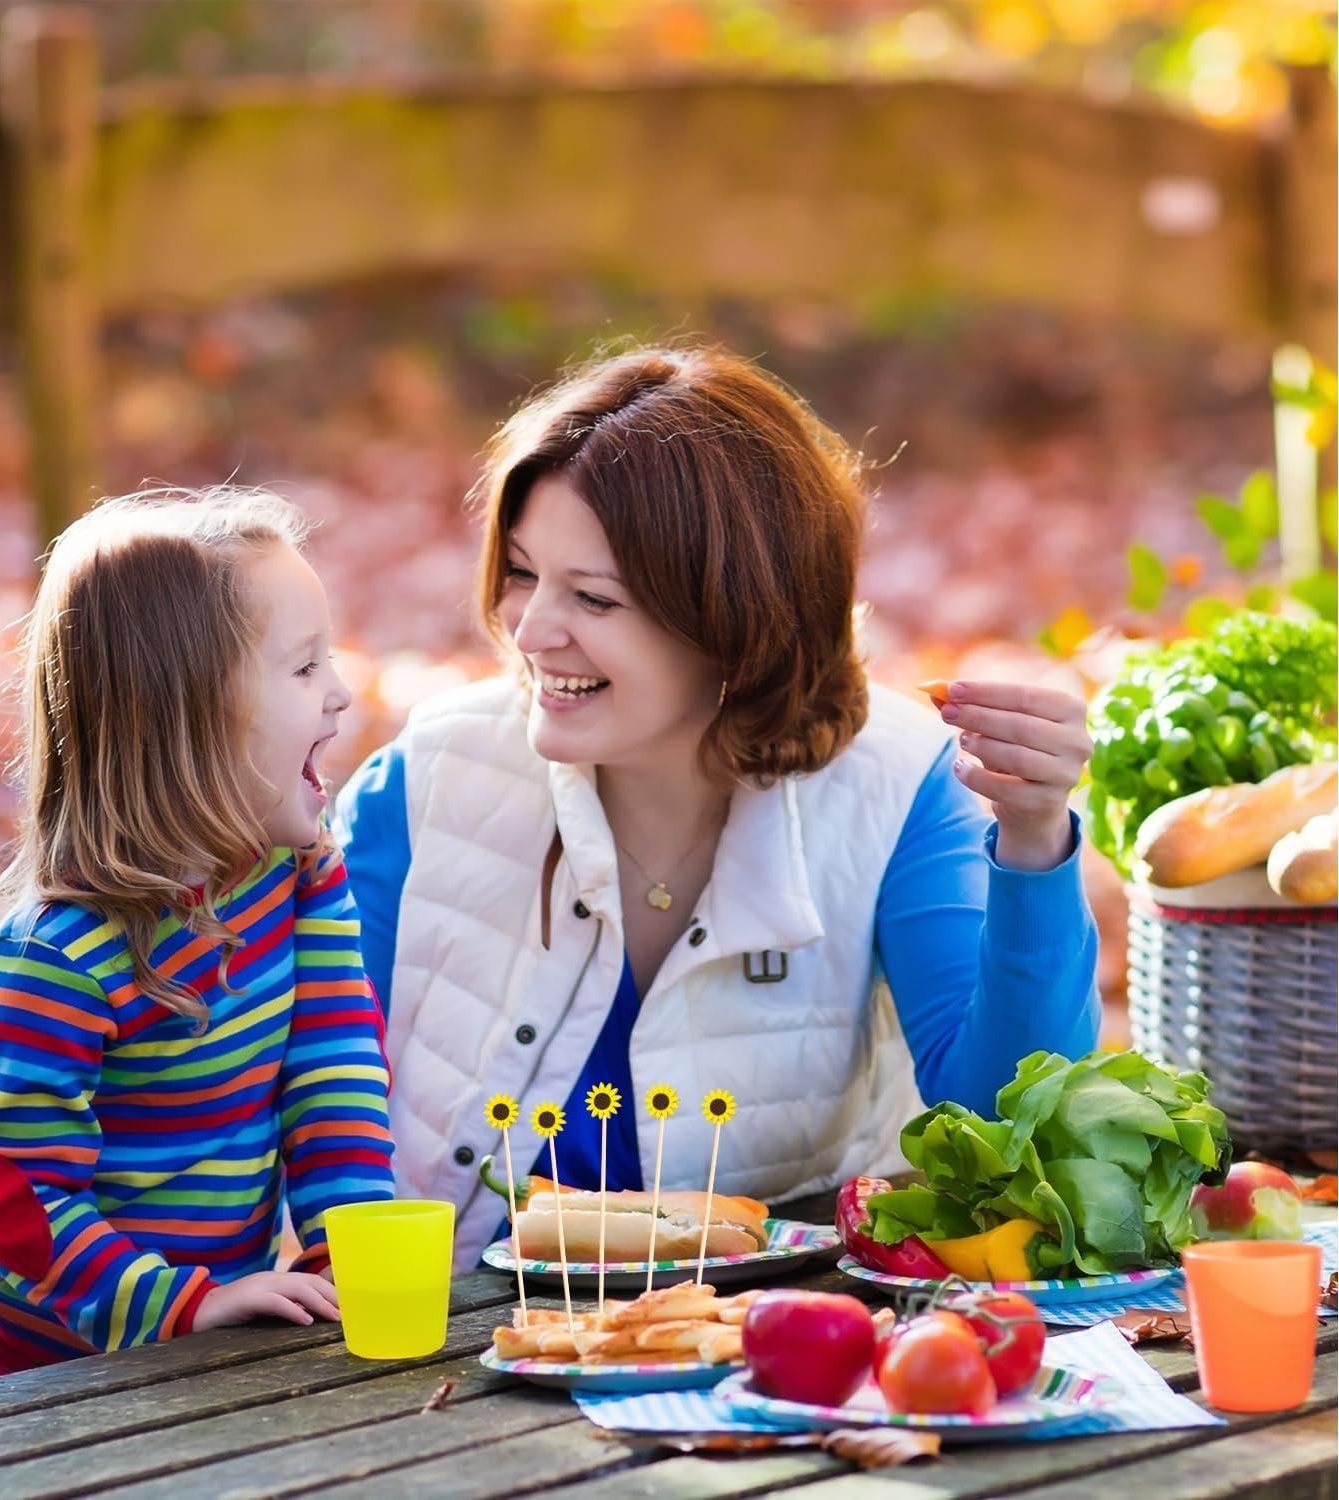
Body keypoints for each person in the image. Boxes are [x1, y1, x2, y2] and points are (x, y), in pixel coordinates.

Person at [337, 347, 1099, 1266]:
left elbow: (1008, 1122)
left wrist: (1031, 841)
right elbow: (298, 1098)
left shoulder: (898, 788)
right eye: (524, 572)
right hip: (440, 1343)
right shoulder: (421, 785)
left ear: (734, 620)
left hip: (773, 1331)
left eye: (594, 597)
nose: (532, 630)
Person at [0, 490, 393, 1408]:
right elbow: (22, 1208)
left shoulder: (296, 877)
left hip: (193, 1348)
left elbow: (332, 1071)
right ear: (184, 715)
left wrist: (352, 1251)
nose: (341, 692)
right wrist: (187, 1303)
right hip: (25, 1371)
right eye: (303, 669)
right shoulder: (55, 963)